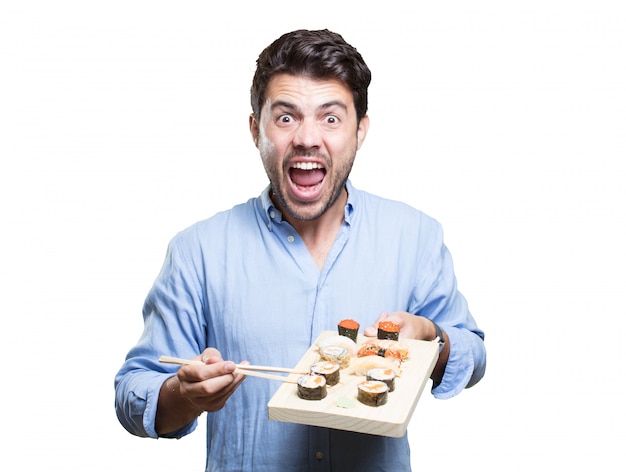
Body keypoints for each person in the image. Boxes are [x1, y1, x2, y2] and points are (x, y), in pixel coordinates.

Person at [114, 29, 486, 471]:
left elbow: (473, 355)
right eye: (286, 117)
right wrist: (184, 394)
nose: (308, 138)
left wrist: (432, 341)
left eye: (331, 118)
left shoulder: (416, 235)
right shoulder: (198, 250)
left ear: (360, 129)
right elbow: (133, 392)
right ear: (256, 129)